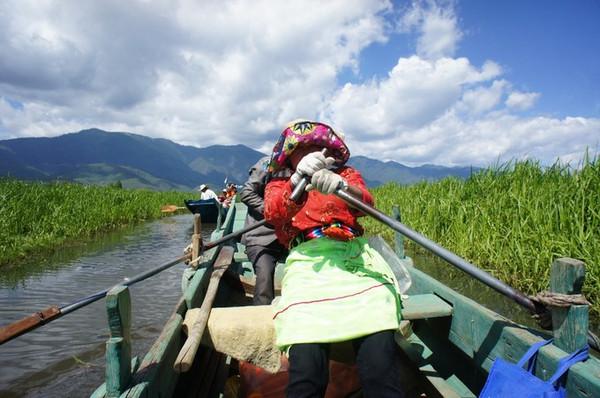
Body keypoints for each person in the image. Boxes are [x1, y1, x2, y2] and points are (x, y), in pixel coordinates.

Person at [264, 120, 406, 397]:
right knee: (307, 372)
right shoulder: (280, 182)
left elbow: (367, 203)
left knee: (380, 368)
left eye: (318, 146)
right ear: (289, 156)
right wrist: (297, 181)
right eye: (300, 149)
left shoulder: (346, 173)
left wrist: (341, 186)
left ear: (330, 149)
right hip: (308, 263)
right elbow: (272, 213)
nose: (312, 152)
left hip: (355, 260)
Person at [240, 156, 288, 305]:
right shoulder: (268, 164)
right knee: (265, 274)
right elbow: (246, 193)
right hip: (262, 236)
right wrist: (269, 210)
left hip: (291, 235)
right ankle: (261, 313)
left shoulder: (306, 165)